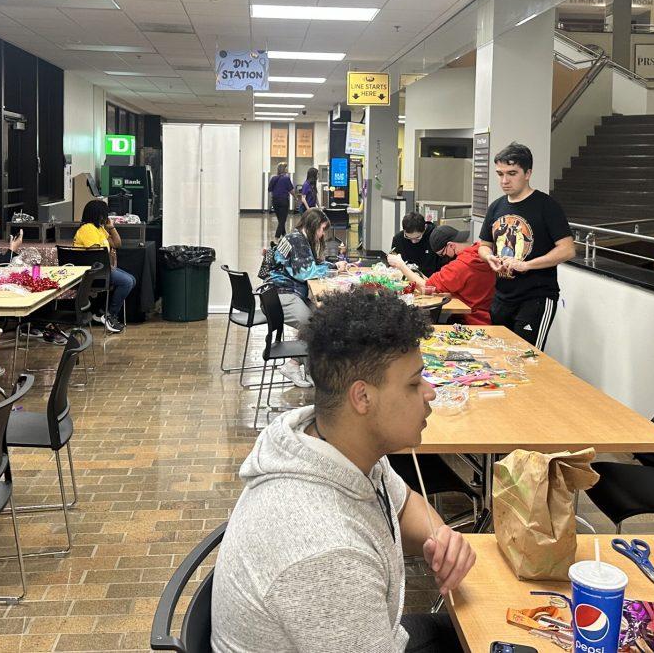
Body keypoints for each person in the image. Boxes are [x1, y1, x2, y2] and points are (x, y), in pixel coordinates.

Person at [211, 287, 475, 653]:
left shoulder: (336, 441)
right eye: (414, 383)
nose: (430, 393)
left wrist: (439, 536)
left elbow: (401, 504)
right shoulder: (325, 555)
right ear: (362, 397)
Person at [478, 142, 574, 349]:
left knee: (526, 358)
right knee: (500, 356)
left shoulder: (546, 206)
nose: (504, 180)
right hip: (502, 295)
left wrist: (527, 265)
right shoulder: (496, 206)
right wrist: (489, 257)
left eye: (512, 173)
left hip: (536, 296)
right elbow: (483, 245)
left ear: (528, 173)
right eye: (500, 174)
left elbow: (567, 249)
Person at [264, 207, 346, 388]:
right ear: (314, 226)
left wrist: (330, 265)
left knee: (324, 317)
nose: (322, 234)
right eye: (322, 229)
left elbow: (309, 264)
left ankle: (300, 366)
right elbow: (305, 272)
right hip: (281, 296)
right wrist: (333, 269)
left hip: (284, 292)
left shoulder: (296, 238)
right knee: (313, 323)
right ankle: (302, 367)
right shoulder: (297, 241)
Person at [388, 225, 495, 325]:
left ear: (451, 245)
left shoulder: (461, 266)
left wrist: (401, 265)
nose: (445, 256)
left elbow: (426, 287)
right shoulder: (482, 251)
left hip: (471, 320)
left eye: (443, 253)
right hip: (487, 315)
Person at [73, 198, 134, 333]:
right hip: (92, 272)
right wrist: (109, 265)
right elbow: (96, 253)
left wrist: (111, 227)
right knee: (127, 282)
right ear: (98, 215)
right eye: (104, 214)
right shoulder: (87, 229)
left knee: (131, 280)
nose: (106, 217)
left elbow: (117, 244)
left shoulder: (99, 229)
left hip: (102, 268)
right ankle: (109, 315)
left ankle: (102, 312)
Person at [391, 212, 442, 277]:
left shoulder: (435, 237)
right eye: (408, 237)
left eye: (418, 237)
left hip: (431, 281)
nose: (413, 242)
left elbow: (443, 267)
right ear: (404, 230)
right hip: (406, 280)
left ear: (425, 228)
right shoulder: (398, 239)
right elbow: (394, 266)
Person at [267, 163, 294, 240]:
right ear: (284, 169)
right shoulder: (286, 178)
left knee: (280, 219)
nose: (287, 169)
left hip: (275, 201)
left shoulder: (273, 178)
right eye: (286, 168)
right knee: (282, 220)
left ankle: (284, 235)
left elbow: (269, 189)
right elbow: (291, 190)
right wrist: (295, 197)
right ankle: (277, 237)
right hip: (283, 201)